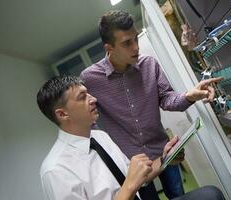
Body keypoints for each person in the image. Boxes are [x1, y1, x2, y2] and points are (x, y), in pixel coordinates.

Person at [80, 10, 222, 199]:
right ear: (109, 48)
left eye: (136, 39)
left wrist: (189, 96)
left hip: (163, 152)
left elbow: (166, 99)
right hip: (131, 165)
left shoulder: (149, 65)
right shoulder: (90, 79)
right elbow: (90, 122)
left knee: (178, 195)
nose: (136, 47)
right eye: (126, 43)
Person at [37, 75, 224, 200]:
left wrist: (165, 159)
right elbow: (131, 182)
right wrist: (129, 186)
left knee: (211, 194)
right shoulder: (56, 170)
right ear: (62, 114)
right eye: (82, 97)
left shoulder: (100, 137)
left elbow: (137, 176)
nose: (93, 99)